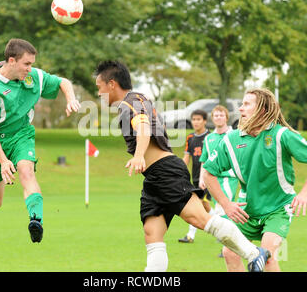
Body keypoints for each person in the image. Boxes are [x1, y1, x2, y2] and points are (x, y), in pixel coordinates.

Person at [94, 60, 270, 272]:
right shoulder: (135, 100)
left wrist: (139, 155)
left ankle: (253, 253)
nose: (98, 93)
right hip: (154, 178)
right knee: (152, 233)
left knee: (200, 219)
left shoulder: (131, 101)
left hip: (165, 171)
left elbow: (142, 127)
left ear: (111, 84)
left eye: (99, 87)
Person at [203, 88, 307, 271]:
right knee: (230, 253)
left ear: (262, 110)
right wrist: (226, 204)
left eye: (246, 104)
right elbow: (208, 173)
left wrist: (305, 193)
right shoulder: (231, 139)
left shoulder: (281, 134)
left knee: (265, 256)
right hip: (248, 209)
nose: (241, 109)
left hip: (278, 208)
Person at [0, 38, 80, 243]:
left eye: (32, 64)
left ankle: (36, 219)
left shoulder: (34, 77)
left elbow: (62, 82)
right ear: (11, 61)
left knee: (26, 170)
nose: (30, 69)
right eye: (27, 64)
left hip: (22, 134)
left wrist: (71, 98)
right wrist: (4, 160)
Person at [198, 105, 240, 257]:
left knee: (225, 210)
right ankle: (231, 245)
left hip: (229, 178)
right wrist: (202, 178)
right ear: (212, 118)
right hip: (213, 179)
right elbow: (205, 159)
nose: (218, 118)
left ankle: (230, 247)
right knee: (219, 212)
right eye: (216, 115)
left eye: (221, 115)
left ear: (226, 117)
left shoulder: (234, 135)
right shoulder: (209, 138)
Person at [178, 110, 211, 244]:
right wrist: (177, 170)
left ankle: (190, 235)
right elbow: (187, 158)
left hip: (208, 178)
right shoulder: (190, 138)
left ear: (204, 121)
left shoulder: (210, 137)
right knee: (205, 206)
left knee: (198, 204)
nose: (196, 122)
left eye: (198, 119)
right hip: (195, 178)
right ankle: (224, 228)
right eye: (194, 119)